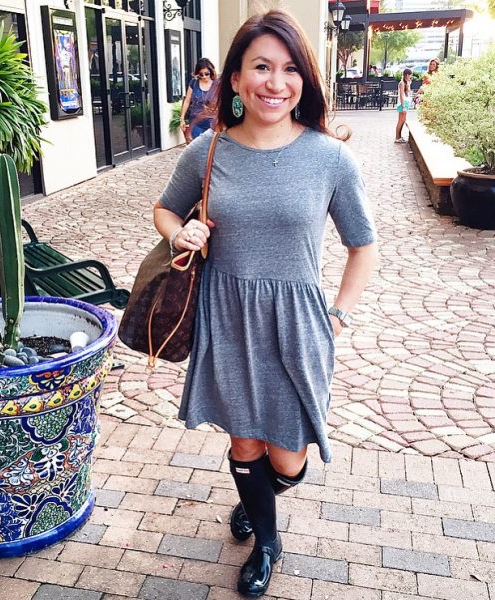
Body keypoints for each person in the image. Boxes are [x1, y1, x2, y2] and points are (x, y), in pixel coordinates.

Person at [153, 9, 377, 597]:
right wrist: (180, 233)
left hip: (298, 324)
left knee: (288, 460)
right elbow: (166, 209)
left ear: (304, 79)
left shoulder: (330, 157)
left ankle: (257, 499)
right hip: (226, 318)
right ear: (235, 79)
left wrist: (338, 314)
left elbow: (363, 246)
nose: (275, 83)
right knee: (244, 441)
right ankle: (266, 540)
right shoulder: (207, 151)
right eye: (260, 67)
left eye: (289, 69)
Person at [180, 58, 218, 142]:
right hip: (196, 123)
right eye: (201, 74)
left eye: (206, 74)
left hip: (212, 123)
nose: (204, 76)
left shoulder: (216, 84)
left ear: (211, 72)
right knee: (197, 147)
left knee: (211, 148)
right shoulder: (194, 83)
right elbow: (187, 100)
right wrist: (182, 118)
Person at [395, 68, 413, 143]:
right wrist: (403, 106)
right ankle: (397, 137)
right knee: (400, 121)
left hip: (406, 102)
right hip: (403, 104)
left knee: (403, 120)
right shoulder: (402, 83)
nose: (411, 77)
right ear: (407, 75)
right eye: (410, 75)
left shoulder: (407, 82)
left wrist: (409, 84)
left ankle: (399, 136)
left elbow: (408, 92)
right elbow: (402, 95)